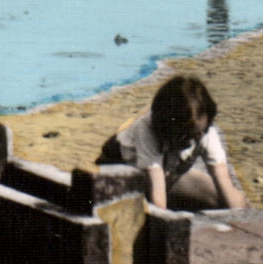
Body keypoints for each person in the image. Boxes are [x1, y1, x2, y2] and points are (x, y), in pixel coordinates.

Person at [98, 75, 248, 211]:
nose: (198, 138)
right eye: (190, 135)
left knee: (229, 199)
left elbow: (226, 187)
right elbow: (158, 197)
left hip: (167, 175)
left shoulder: (205, 132)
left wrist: (236, 208)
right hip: (122, 176)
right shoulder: (146, 129)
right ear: (169, 127)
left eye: (202, 131)